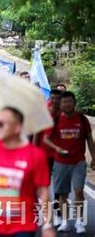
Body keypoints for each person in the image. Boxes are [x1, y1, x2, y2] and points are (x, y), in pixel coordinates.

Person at [0, 107, 55, 237]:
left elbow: (43, 192)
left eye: (1, 124)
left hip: (23, 226)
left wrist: (47, 225)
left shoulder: (35, 155)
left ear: (18, 127)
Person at [43, 91, 94, 233]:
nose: (67, 104)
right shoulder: (57, 120)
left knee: (78, 191)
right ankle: (64, 221)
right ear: (61, 104)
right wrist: (57, 149)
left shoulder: (82, 119)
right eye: (64, 102)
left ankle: (79, 222)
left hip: (78, 161)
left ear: (74, 102)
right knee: (63, 193)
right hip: (60, 162)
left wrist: (94, 157)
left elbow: (89, 139)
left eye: (69, 101)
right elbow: (46, 138)